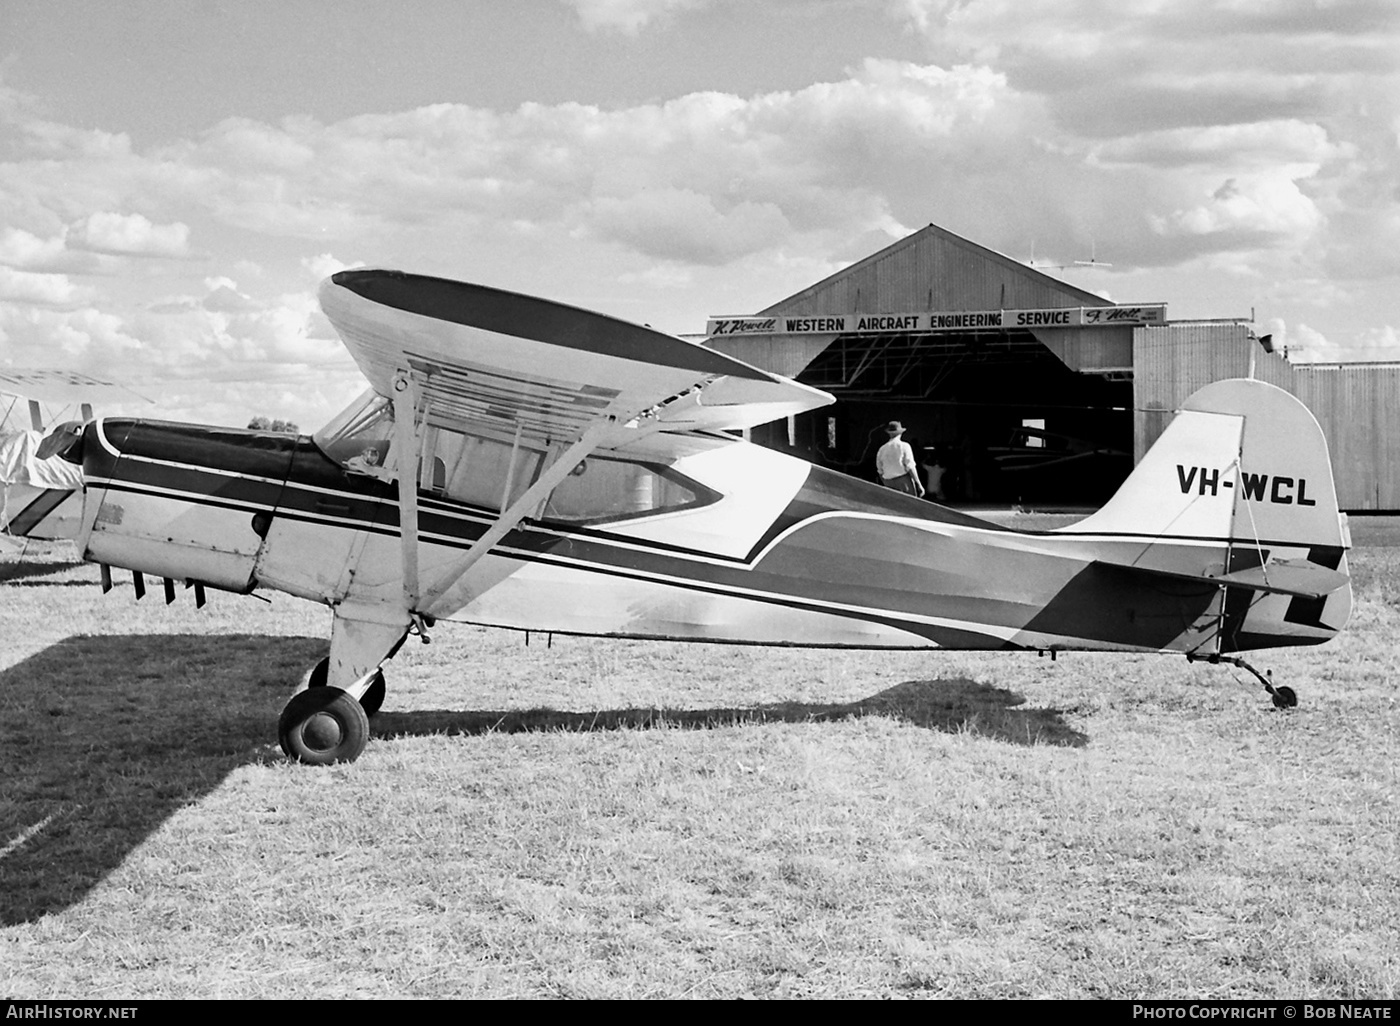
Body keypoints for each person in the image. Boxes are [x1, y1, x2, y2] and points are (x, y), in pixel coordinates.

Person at [875, 421, 925, 497]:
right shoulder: (904, 446)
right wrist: (918, 483)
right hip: (903, 481)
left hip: (888, 482)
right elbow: (910, 466)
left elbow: (880, 470)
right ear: (900, 433)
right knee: (909, 506)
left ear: (889, 433)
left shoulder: (882, 449)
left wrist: (886, 482)